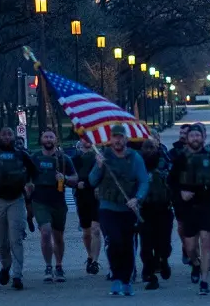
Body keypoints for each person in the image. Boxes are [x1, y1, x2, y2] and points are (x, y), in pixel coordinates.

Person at [168, 123, 210, 295]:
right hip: (188, 206)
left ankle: (204, 281)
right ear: (187, 138)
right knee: (190, 246)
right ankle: (195, 263)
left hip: (208, 203)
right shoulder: (180, 158)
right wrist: (181, 191)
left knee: (206, 240)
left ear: (203, 137)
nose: (195, 138)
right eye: (192, 135)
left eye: (198, 135)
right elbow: (170, 181)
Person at [89, 125, 149, 296]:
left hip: (128, 209)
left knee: (127, 245)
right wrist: (98, 166)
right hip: (108, 207)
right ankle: (115, 276)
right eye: (114, 137)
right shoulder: (104, 156)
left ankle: (126, 280)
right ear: (110, 139)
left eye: (120, 137)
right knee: (114, 242)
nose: (117, 140)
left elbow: (144, 181)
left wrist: (137, 198)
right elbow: (92, 181)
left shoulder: (134, 157)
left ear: (125, 139)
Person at [0, 126, 38, 290]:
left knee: (16, 239)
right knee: (2, 241)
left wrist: (30, 184)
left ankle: (17, 275)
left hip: (17, 200)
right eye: (3, 134)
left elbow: (35, 171)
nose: (6, 136)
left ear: (14, 136)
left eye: (9, 134)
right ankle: (6, 266)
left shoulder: (22, 154)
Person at [29, 128, 77, 283]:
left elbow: (75, 178)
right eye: (46, 137)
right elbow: (26, 175)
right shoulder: (34, 158)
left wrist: (66, 178)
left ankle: (59, 265)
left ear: (56, 140)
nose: (48, 140)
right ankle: (48, 266)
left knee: (58, 237)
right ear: (41, 139)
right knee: (45, 231)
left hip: (58, 200)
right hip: (40, 200)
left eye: (51, 137)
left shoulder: (63, 158)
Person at [139, 138, 173, 290]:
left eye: (152, 147)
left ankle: (163, 259)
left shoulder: (165, 160)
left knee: (163, 243)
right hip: (144, 210)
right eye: (146, 148)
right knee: (146, 245)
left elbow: (173, 178)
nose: (149, 151)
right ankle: (149, 274)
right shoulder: (138, 164)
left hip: (163, 208)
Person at [71, 136, 102, 275]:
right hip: (82, 195)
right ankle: (89, 255)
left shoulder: (99, 156)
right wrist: (76, 184)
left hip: (96, 195)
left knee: (96, 229)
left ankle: (95, 261)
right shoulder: (75, 158)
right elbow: (71, 176)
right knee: (86, 232)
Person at [168, 123, 192, 265]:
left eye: (185, 133)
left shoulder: (199, 151)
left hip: (198, 194)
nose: (182, 136)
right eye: (181, 133)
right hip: (179, 195)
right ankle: (186, 247)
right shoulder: (172, 152)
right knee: (182, 225)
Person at [14, 137, 36, 234]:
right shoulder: (11, 155)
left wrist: (31, 183)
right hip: (16, 185)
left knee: (30, 209)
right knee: (18, 211)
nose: (19, 145)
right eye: (17, 143)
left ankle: (29, 218)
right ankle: (21, 230)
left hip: (28, 183)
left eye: (20, 143)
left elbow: (33, 169)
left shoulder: (28, 154)